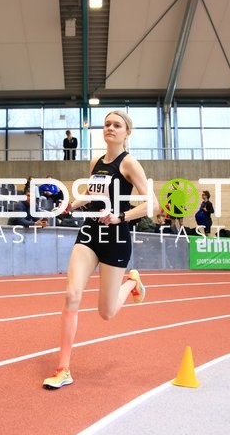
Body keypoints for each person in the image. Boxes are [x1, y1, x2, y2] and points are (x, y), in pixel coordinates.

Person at [42, 110, 158, 390]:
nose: (110, 128)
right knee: (71, 295)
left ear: (126, 133)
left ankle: (131, 281)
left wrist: (121, 217)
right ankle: (63, 369)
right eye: (107, 124)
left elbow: (153, 204)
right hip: (90, 232)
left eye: (117, 125)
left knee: (106, 313)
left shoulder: (129, 163)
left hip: (116, 235)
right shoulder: (95, 161)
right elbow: (93, 194)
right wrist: (71, 205)